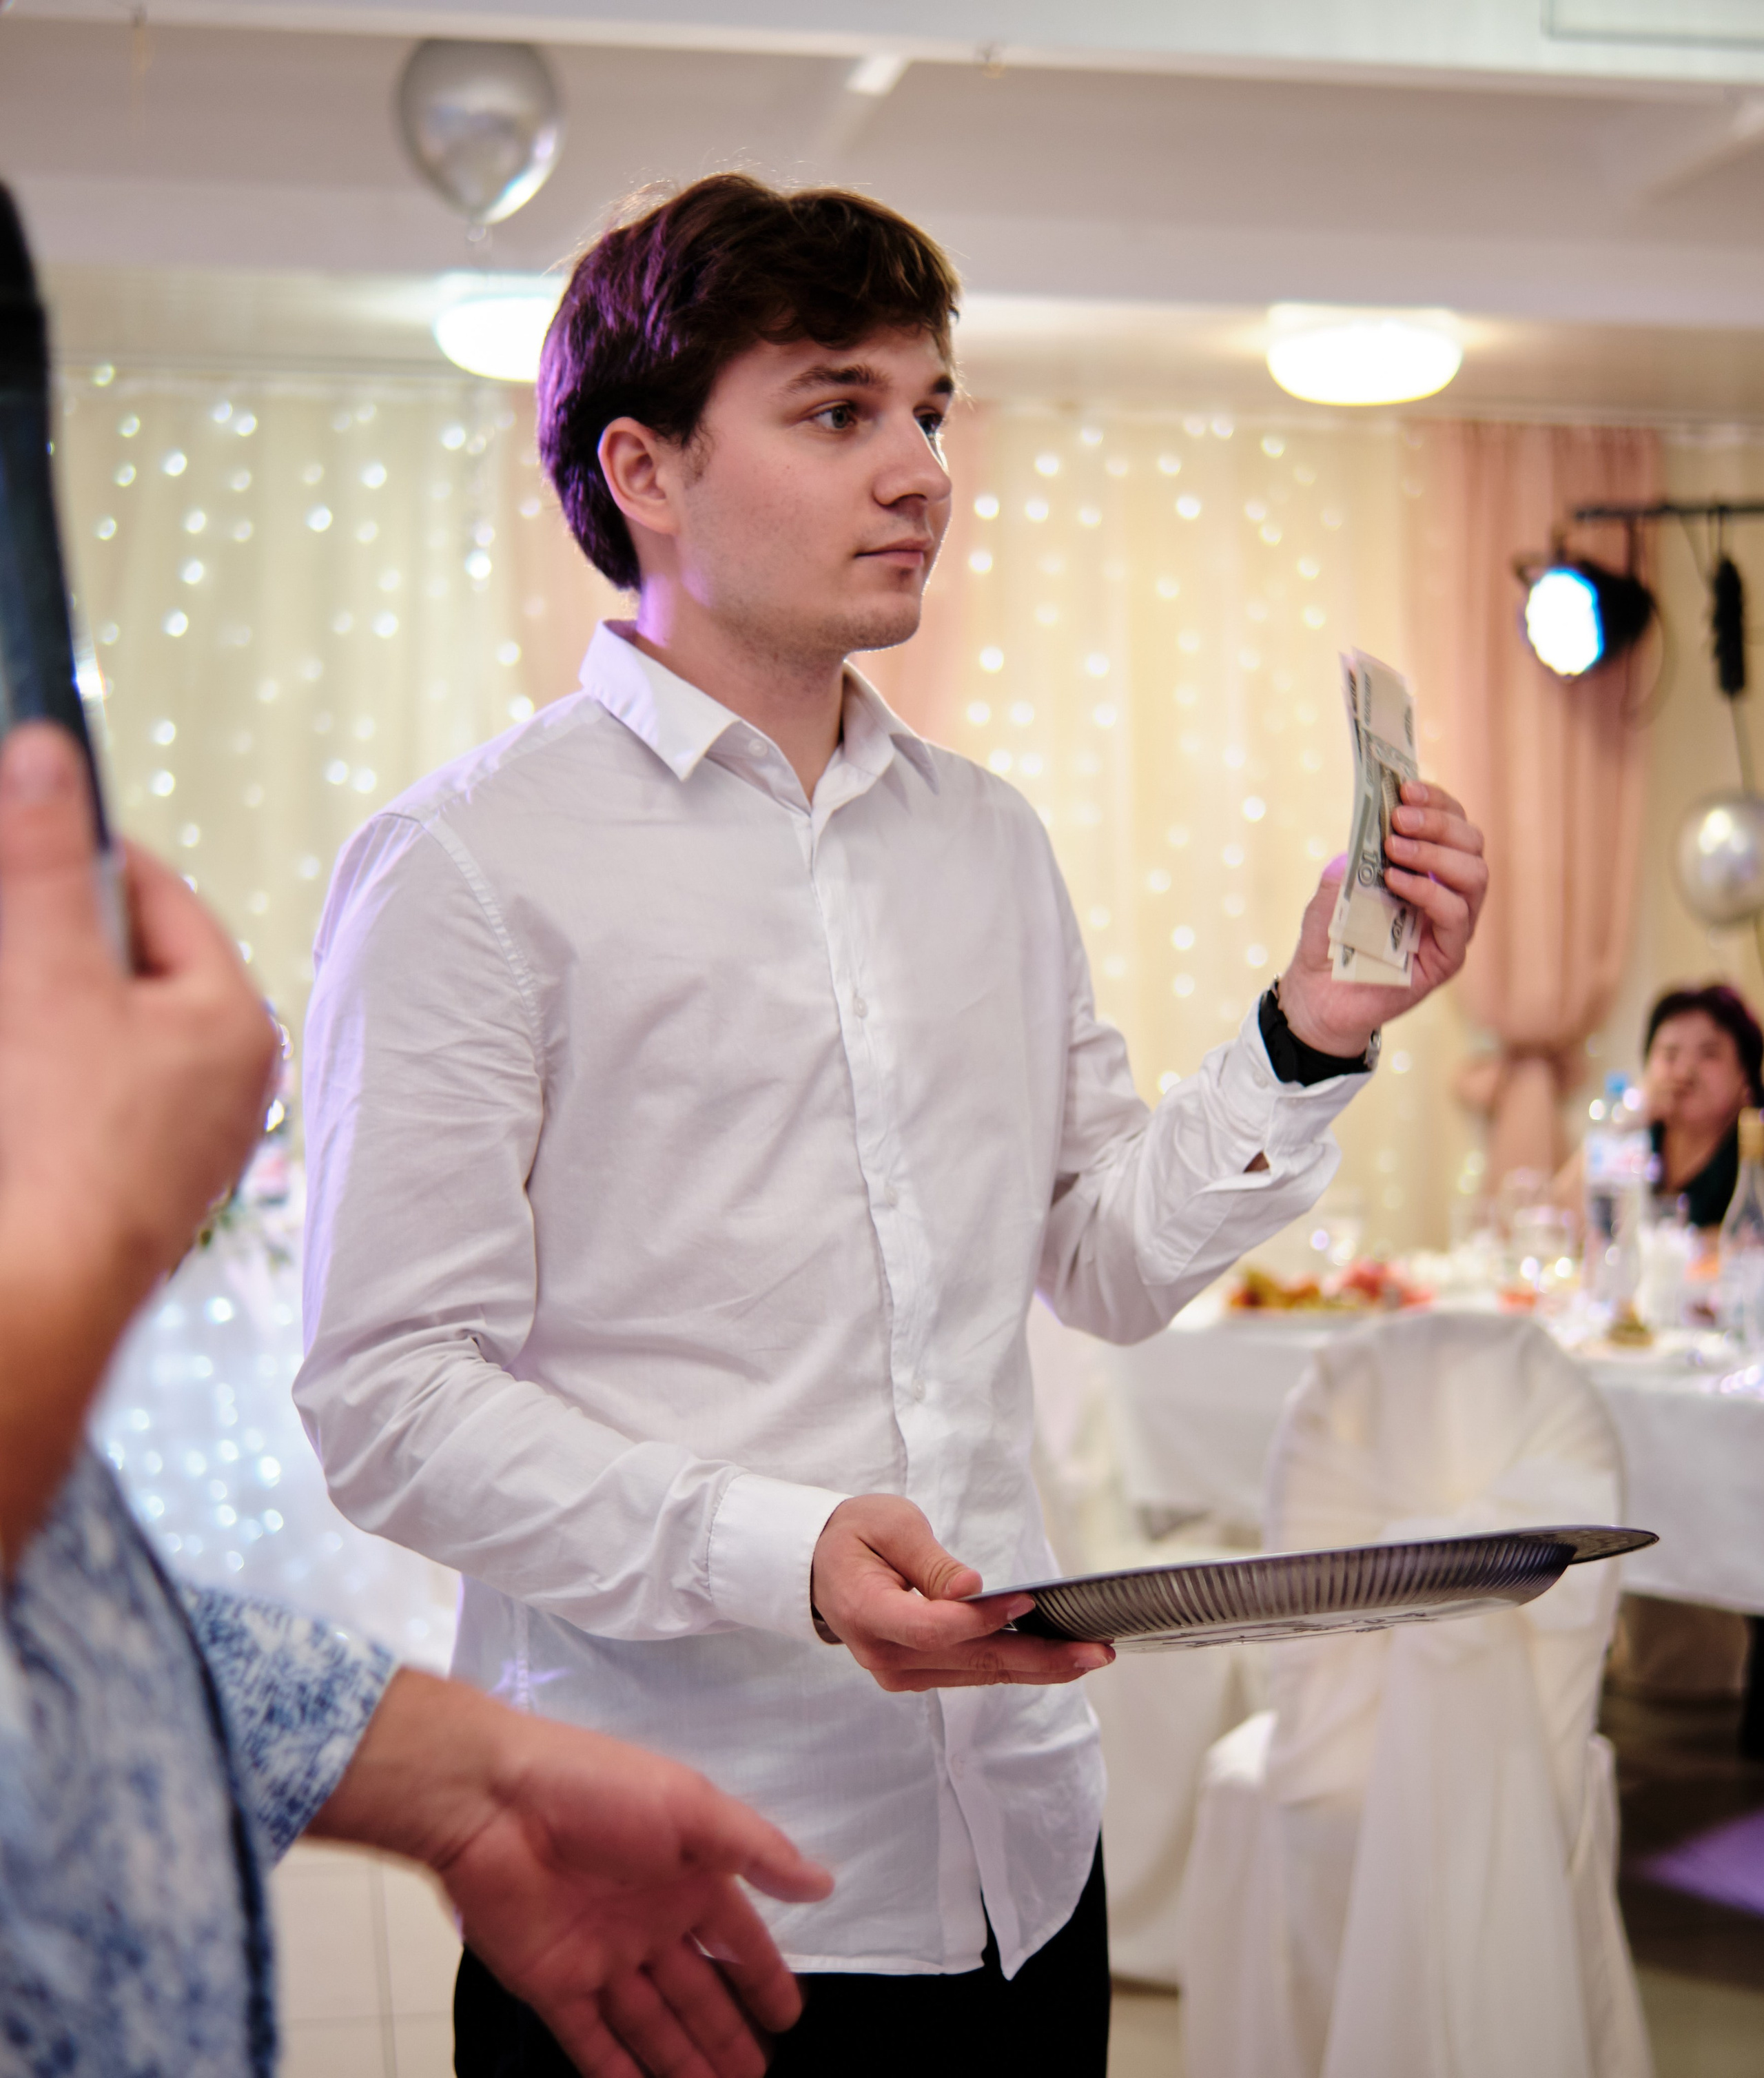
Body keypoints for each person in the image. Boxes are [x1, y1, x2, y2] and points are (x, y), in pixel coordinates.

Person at [296, 174, 1489, 2077]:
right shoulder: (466, 863)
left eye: (930, 409)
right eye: (838, 408)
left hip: (1017, 1850)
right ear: (644, 468)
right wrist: (788, 1550)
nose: (923, 469)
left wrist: (1310, 1029)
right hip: (678, 1886)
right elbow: (389, 1397)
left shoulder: (984, 841)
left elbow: (1100, 1255)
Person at [0, 719, 829, 2078]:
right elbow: (388, 1393)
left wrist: (452, 1776)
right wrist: (85, 1234)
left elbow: (45, 1608)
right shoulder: (460, 853)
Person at [1552, 983, 1764, 1230]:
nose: (1684, 1072)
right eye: (1670, 1055)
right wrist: (1629, 1116)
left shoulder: (1755, 1146)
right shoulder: (1640, 1132)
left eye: (1709, 1054)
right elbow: (1561, 1216)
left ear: (1746, 1074)